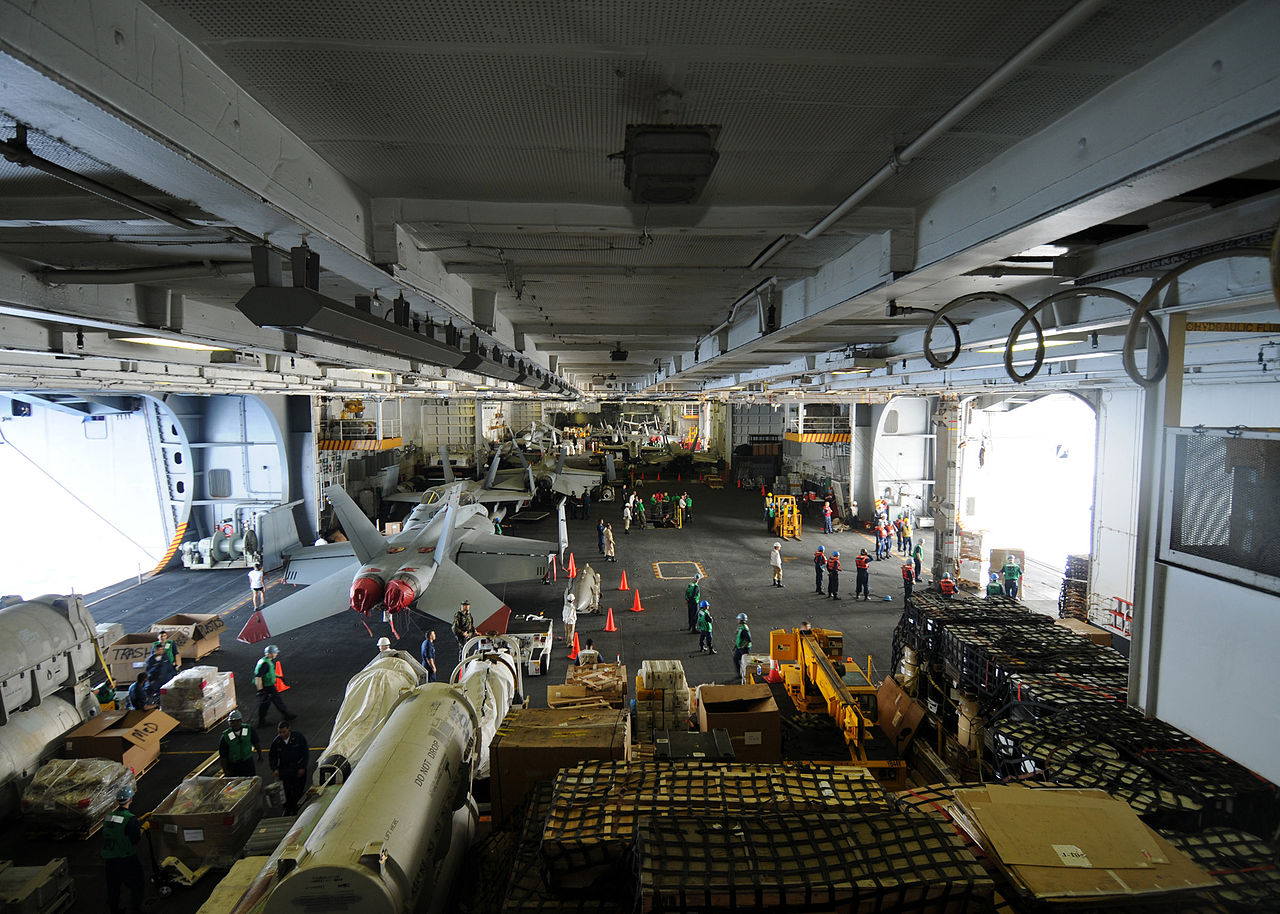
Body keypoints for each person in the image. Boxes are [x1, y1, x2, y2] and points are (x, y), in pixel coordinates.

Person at [102, 785, 144, 914]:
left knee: (113, 887)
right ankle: (136, 910)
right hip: (126, 857)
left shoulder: (108, 817)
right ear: (130, 799)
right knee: (137, 883)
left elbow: (116, 828)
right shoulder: (130, 819)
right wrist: (142, 828)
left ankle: (114, 910)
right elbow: (134, 840)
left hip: (110, 858)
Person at [270, 720, 310, 816]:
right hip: (284, 770)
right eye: (280, 732)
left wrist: (302, 767)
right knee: (286, 791)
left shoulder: (298, 738)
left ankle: (297, 808)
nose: (282, 734)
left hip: (297, 768)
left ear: (289, 729)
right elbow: (272, 756)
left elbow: (305, 753)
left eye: (284, 732)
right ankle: (288, 809)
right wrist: (274, 769)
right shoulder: (277, 742)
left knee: (298, 790)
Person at [254, 645, 294, 726]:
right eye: (275, 653)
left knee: (273, 701)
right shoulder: (265, 664)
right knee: (269, 702)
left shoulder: (265, 661)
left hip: (268, 685)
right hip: (267, 687)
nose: (276, 654)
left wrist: (278, 676)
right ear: (270, 654)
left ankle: (285, 714)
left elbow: (269, 673)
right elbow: (258, 677)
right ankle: (262, 721)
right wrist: (260, 690)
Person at [218, 709, 261, 777]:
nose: (235, 724)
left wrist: (260, 755)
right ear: (229, 723)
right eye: (232, 722)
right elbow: (223, 756)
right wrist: (225, 771)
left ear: (241, 721)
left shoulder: (248, 730)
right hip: (233, 765)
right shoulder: (226, 736)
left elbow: (256, 743)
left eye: (237, 721)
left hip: (247, 763)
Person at [732, 613, 752, 683]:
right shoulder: (740, 627)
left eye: (738, 619)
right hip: (739, 648)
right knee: (735, 659)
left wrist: (743, 647)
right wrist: (736, 646)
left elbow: (749, 640)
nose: (737, 620)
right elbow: (739, 638)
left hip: (743, 649)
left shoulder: (744, 629)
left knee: (745, 663)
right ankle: (740, 674)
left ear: (741, 620)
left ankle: (746, 675)